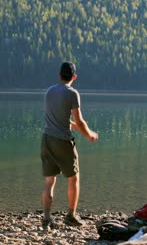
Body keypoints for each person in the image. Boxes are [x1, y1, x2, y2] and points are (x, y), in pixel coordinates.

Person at [40, 62, 99, 229]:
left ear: (59, 75)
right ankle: (71, 215)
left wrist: (76, 127)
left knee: (49, 180)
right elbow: (79, 121)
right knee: (74, 178)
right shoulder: (72, 93)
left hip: (46, 139)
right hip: (63, 141)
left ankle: (46, 218)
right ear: (74, 77)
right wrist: (90, 134)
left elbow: (61, 119)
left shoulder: (50, 91)